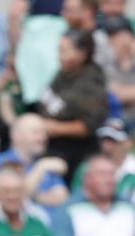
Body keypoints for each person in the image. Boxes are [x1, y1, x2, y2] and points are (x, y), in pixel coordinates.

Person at [37, 29, 109, 179]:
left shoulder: (92, 83)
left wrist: (53, 127)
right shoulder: (64, 73)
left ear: (82, 54)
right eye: (59, 50)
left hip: (76, 151)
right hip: (51, 142)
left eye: (65, 51)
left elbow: (89, 125)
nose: (60, 56)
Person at [70, 119, 135, 219]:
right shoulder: (86, 168)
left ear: (129, 142)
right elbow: (74, 203)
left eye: (113, 140)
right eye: (103, 140)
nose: (106, 146)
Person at [0, 113, 68, 209]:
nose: (43, 138)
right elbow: (13, 197)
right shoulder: (0, 162)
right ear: (16, 135)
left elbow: (63, 198)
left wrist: (33, 196)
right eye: (36, 132)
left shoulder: (46, 163)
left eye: (44, 133)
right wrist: (40, 167)